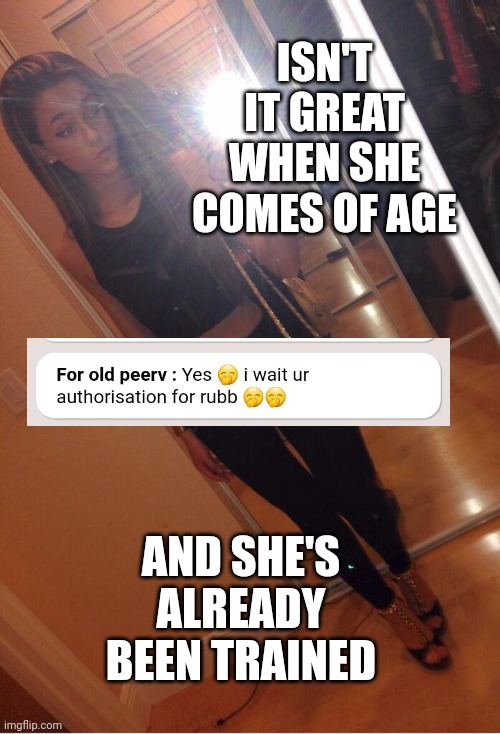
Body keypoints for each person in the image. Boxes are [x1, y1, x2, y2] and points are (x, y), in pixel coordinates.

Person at [1, 51, 450, 669]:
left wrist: (242, 190)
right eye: (65, 128)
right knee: (307, 510)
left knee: (351, 479)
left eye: (94, 110)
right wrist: (182, 426)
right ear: (44, 151)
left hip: (275, 346)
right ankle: (386, 607)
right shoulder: (75, 249)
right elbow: (134, 337)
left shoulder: (181, 171)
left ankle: (403, 571)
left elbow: (282, 262)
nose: (94, 133)